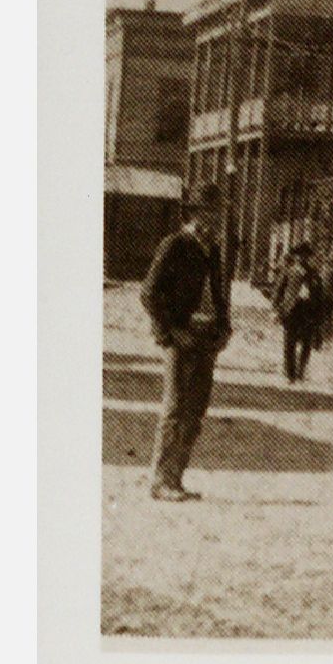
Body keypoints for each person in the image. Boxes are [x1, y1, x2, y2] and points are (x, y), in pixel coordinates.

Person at [140, 195, 232, 501]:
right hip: (182, 339)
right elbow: (149, 293)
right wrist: (171, 331)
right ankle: (161, 480)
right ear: (195, 214)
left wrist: (224, 327)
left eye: (219, 214)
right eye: (211, 213)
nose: (217, 220)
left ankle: (175, 479)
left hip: (207, 340)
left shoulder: (213, 250)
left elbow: (219, 293)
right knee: (176, 407)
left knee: (196, 411)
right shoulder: (175, 245)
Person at [272, 239, 328, 386]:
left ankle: (301, 370)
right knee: (289, 342)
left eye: (306, 255)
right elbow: (278, 290)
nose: (302, 258)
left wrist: (320, 315)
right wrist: (277, 309)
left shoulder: (314, 274)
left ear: (308, 257)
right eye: (300, 255)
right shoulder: (289, 271)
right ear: (296, 257)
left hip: (308, 311)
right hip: (292, 310)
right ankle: (290, 374)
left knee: (307, 343)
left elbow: (319, 295)